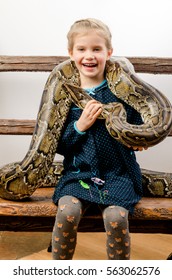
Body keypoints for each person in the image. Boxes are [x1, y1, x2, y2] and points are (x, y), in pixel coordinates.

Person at [52, 18, 145, 260]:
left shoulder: (121, 91)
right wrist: (79, 126)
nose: (89, 56)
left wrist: (139, 138)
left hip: (118, 175)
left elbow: (137, 125)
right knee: (67, 211)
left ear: (109, 53)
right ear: (71, 54)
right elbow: (59, 145)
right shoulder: (66, 95)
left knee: (116, 218)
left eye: (96, 49)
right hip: (77, 174)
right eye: (81, 49)